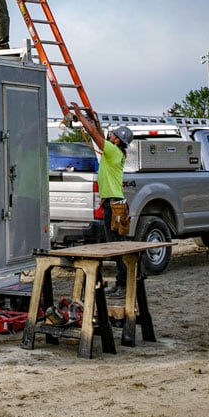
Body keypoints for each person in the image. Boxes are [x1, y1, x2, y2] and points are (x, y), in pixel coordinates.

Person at [72, 104, 132, 291]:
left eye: (113, 135)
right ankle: (124, 280)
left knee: (115, 245)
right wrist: (94, 119)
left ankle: (123, 282)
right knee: (117, 244)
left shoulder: (112, 151)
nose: (110, 136)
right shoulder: (115, 151)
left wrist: (81, 118)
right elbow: (97, 133)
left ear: (118, 140)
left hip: (113, 205)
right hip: (115, 203)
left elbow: (95, 136)